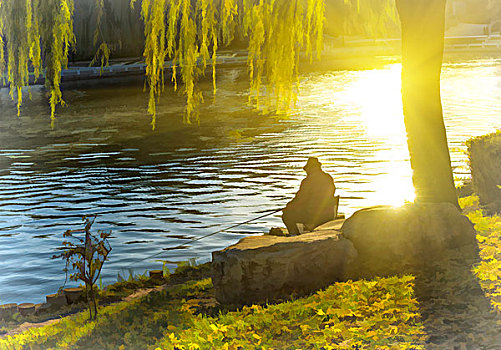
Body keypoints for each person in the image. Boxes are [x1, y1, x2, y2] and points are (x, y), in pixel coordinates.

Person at [282, 157, 336, 235]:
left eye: (307, 169)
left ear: (311, 168)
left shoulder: (307, 181)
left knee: (287, 215)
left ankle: (294, 236)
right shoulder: (328, 178)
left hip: (313, 215)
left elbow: (299, 200)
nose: (306, 172)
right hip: (328, 214)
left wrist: (288, 206)